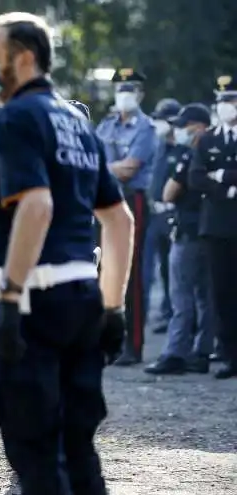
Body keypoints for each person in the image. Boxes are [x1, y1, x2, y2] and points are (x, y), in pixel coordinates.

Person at [0, 12, 133, 495]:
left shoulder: (19, 117)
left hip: (32, 305)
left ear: (25, 59)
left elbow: (35, 207)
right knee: (78, 452)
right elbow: (118, 221)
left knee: (37, 455)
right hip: (82, 298)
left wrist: (11, 301)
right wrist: (113, 307)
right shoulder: (74, 120)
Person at [145, 104, 214, 375]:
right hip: (210, 232)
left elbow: (168, 192)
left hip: (187, 230)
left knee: (181, 296)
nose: (180, 131)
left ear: (199, 126)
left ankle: (176, 353)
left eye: (186, 126)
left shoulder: (190, 154)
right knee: (205, 297)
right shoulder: (217, 152)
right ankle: (201, 352)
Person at [96, 67, 156, 366]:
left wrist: (104, 168)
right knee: (102, 269)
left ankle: (132, 346)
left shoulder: (146, 127)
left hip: (133, 199)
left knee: (130, 273)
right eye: (121, 89)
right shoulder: (106, 125)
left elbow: (130, 168)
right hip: (103, 200)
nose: (125, 95)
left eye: (130, 89)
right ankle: (105, 341)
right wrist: (109, 168)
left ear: (141, 94)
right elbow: (94, 161)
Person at [188, 75, 237, 380]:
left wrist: (220, 175)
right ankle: (231, 355)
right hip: (216, 227)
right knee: (221, 294)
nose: (224, 107)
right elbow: (195, 179)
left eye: (229, 100)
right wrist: (228, 187)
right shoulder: (207, 140)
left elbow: (208, 177)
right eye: (220, 101)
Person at [145, 98, 182, 334]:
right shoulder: (158, 147)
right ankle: (164, 311)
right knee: (157, 269)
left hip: (173, 214)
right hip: (154, 214)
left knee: (173, 269)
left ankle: (173, 313)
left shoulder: (182, 149)